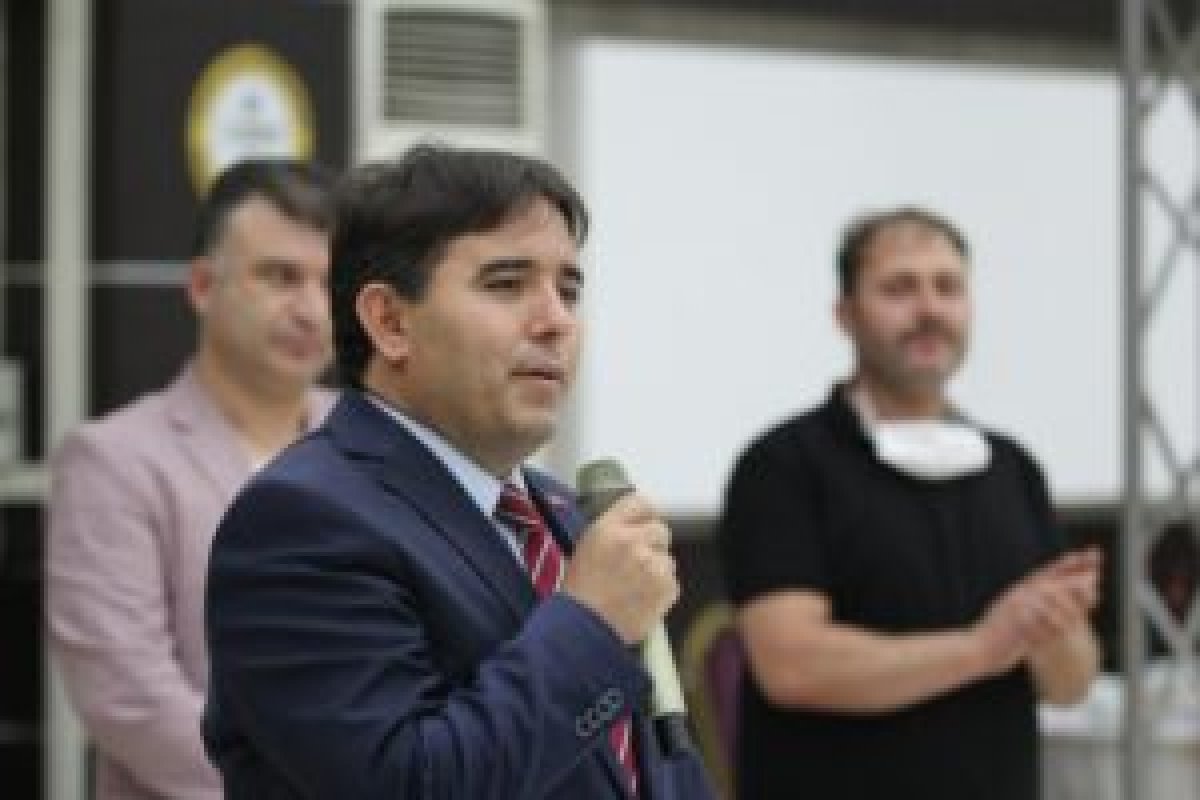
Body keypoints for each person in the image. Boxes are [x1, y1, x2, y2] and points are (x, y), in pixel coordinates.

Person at [202, 144, 716, 800]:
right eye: (506, 284)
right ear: (390, 322)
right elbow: (410, 784)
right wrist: (591, 623)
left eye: (569, 289)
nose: (556, 321)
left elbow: (660, 768)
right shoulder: (299, 522)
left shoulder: (566, 517)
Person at [718, 208, 1101, 800]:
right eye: (899, 288)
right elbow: (791, 666)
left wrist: (1054, 622)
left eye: (948, 287)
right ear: (845, 314)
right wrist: (982, 648)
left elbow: (1070, 686)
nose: (929, 309)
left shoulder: (1012, 468)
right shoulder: (784, 466)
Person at [46, 158, 337, 800]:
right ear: (203, 286)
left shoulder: (378, 445)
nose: (312, 310)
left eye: (329, 283)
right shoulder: (114, 461)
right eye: (281, 277)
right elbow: (131, 699)